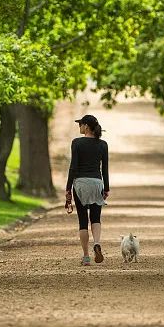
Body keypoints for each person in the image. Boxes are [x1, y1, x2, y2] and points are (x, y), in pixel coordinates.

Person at [65, 114, 109, 266]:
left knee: (83, 220)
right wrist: (106, 188)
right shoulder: (103, 144)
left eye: (80, 124)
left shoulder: (76, 143)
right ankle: (97, 243)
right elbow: (105, 169)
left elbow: (73, 167)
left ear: (86, 126)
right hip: (97, 183)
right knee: (96, 218)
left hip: (81, 184)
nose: (79, 127)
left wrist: (68, 188)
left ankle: (86, 257)